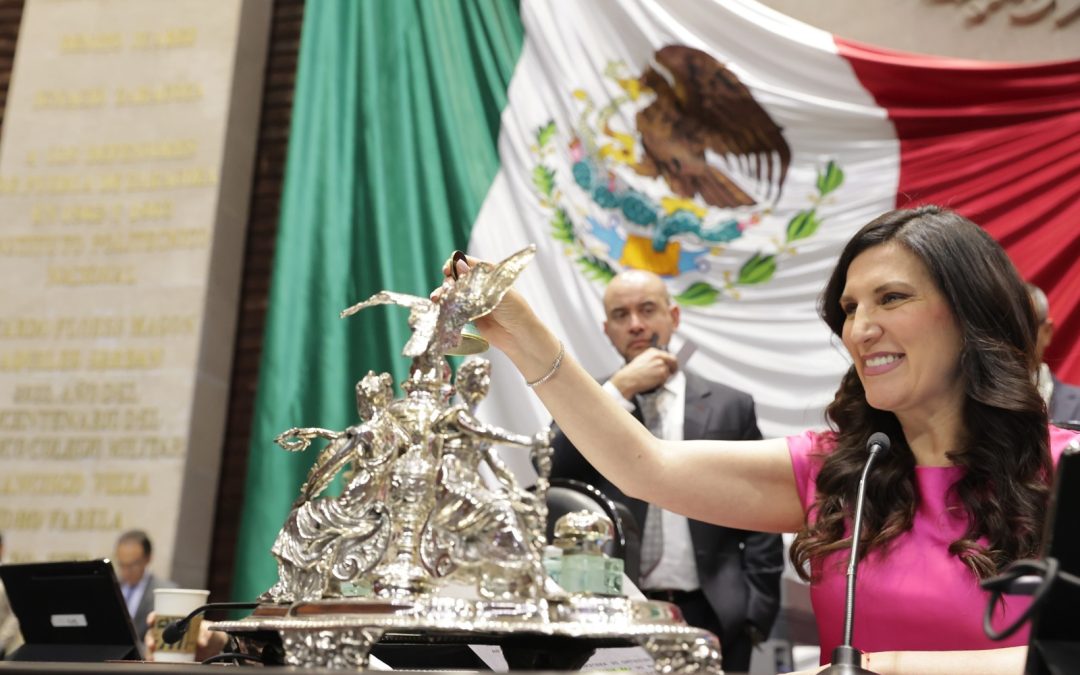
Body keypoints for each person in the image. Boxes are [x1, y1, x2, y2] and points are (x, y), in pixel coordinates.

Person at [441, 205, 1080, 675]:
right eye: (850, 309)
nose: (861, 329)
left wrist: (885, 668)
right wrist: (523, 335)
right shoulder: (838, 472)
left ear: (971, 315)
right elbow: (645, 466)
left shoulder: (1064, 470)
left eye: (891, 298)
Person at [549, 269, 782, 672]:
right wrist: (618, 390)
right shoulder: (592, 402)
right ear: (607, 330)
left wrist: (754, 611)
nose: (635, 324)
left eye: (647, 310)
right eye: (621, 315)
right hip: (614, 610)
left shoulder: (731, 406)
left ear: (673, 317)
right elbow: (550, 469)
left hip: (714, 612)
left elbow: (762, 510)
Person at [1027, 283, 1080, 425]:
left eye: (1026, 326)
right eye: (1005, 326)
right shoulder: (973, 405)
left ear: (1047, 332)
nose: (1014, 336)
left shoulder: (1077, 406)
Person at [114, 530, 176, 643]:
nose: (126, 571)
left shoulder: (166, 592)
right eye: (122, 564)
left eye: (133, 565)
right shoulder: (112, 588)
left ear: (148, 559)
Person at [0, 533, 24, 658]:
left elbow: (15, 615)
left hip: (7, 652)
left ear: (1, 548)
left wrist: (1, 643)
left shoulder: (9, 574)